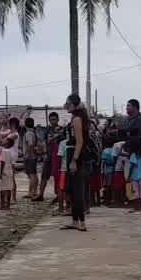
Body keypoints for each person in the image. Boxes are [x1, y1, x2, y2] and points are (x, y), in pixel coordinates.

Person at [62, 94, 93, 231]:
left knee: (77, 189)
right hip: (72, 154)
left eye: (68, 103)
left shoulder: (77, 119)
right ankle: (75, 221)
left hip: (76, 156)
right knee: (73, 190)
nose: (66, 105)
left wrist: (74, 160)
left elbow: (79, 142)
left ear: (74, 104)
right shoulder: (76, 118)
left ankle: (81, 222)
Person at [35, 112, 62, 202]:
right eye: (50, 120)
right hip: (49, 155)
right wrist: (45, 153)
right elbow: (45, 142)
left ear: (58, 119)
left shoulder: (62, 130)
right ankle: (41, 194)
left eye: (54, 119)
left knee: (57, 176)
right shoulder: (47, 130)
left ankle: (59, 195)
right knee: (44, 175)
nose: (52, 121)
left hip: (58, 156)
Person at [126, 136, 141, 211]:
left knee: (135, 192)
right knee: (140, 193)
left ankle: (136, 207)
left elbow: (131, 167)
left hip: (134, 176)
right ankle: (140, 206)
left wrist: (128, 176)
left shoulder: (134, 155)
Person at [22, 117, 41, 199]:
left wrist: (28, 154)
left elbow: (30, 144)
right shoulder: (33, 132)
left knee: (31, 175)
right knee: (33, 174)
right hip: (33, 156)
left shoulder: (29, 133)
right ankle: (34, 191)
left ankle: (32, 192)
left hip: (30, 156)